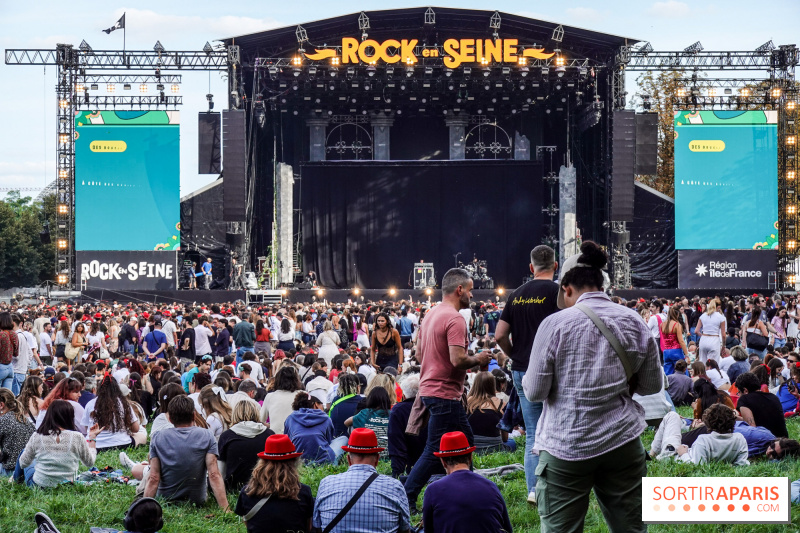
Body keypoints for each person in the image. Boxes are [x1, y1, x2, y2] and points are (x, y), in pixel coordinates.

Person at [523, 241, 662, 533]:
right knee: (632, 529)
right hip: (623, 441)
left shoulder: (555, 324)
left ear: (567, 288)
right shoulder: (635, 321)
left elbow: (534, 392)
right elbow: (652, 385)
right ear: (602, 284)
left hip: (566, 443)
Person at [404, 268, 491, 509]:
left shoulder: (430, 315)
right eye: (471, 290)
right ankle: (407, 495)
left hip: (431, 389)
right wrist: (479, 359)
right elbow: (457, 360)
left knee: (465, 441)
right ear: (460, 289)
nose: (472, 296)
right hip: (444, 393)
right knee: (435, 449)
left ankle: (467, 490)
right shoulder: (455, 319)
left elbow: (420, 354)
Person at [494, 244, 559, 501]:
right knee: (556, 429)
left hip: (522, 370)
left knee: (532, 431)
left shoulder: (517, 294)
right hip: (553, 371)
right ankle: (555, 488)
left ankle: (533, 490)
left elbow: (499, 335)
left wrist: (515, 355)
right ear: (555, 266)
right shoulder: (559, 293)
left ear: (531, 268)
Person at [313, 428, 411, 533]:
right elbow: (405, 529)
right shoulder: (395, 486)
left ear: (349, 460)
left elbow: (317, 527)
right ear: (377, 459)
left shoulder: (326, 483)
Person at [144, 396, 230, 511]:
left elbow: (154, 477)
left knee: (145, 475)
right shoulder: (207, 436)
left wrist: (143, 507)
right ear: (194, 415)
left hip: (165, 499)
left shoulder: (158, 437)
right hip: (197, 500)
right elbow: (214, 474)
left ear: (170, 419)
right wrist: (225, 509)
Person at [422, 431, 513, 533]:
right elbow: (507, 528)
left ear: (443, 462)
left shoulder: (433, 490)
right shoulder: (491, 486)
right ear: (470, 457)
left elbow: (428, 529)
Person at [235, 434, 315, 533]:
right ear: (294, 463)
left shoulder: (247, 492)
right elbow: (308, 527)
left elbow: (248, 523)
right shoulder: (303, 492)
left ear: (262, 463)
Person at [18, 400, 101, 487]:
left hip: (40, 484)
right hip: (68, 484)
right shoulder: (77, 437)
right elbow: (89, 463)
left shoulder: (37, 436)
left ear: (49, 415)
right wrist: (92, 438)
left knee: (24, 452)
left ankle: (14, 480)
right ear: (70, 417)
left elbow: (23, 463)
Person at [649, 404, 748, 465]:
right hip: (687, 451)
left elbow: (695, 465)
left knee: (672, 416)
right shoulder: (740, 439)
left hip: (672, 454)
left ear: (708, 423)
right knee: (673, 418)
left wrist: (683, 453)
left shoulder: (704, 440)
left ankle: (652, 454)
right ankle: (652, 454)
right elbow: (742, 463)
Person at [218, 399, 274, 491]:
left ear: (235, 414)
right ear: (256, 412)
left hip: (234, 488)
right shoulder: (269, 434)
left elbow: (221, 470)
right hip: (265, 486)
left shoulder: (226, 436)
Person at [81, 375, 140, 450]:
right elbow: (136, 429)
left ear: (99, 389)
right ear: (117, 389)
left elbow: (87, 428)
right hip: (122, 444)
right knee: (141, 436)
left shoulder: (90, 404)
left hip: (96, 445)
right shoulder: (123, 403)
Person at [284, 391, 344, 464]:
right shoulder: (325, 418)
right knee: (343, 439)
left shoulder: (290, 418)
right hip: (324, 461)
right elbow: (328, 440)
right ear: (316, 405)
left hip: (297, 462)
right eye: (322, 405)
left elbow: (288, 440)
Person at [466, 371, 516, 453]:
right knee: (512, 442)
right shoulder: (501, 404)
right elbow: (505, 438)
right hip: (495, 447)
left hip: (471, 445)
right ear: (492, 385)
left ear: (475, 384)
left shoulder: (468, 402)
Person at [388, 373, 427, 478]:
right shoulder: (431, 407)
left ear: (404, 395)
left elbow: (396, 445)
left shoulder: (398, 411)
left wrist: (396, 475)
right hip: (436, 467)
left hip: (411, 467)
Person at [735, 371, 789, 438]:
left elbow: (752, 428)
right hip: (783, 440)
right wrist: (736, 418)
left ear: (745, 390)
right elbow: (762, 419)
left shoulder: (744, 399)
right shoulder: (773, 397)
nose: (739, 395)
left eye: (739, 392)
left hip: (766, 442)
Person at [0, 388, 35, 476]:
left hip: (10, 470)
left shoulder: (3, 420)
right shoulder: (24, 419)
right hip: (29, 469)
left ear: (1, 405)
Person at [346, 387, 392, 455]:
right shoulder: (392, 414)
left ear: (370, 399)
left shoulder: (365, 413)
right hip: (388, 454)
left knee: (352, 427)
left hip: (367, 454)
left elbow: (346, 422)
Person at [260, 366, 303, 434]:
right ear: (296, 380)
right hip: (297, 436)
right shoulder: (302, 395)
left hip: (276, 437)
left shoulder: (270, 396)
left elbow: (261, 419)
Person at [328, 373, 363, 438]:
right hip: (356, 439)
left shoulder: (336, 401)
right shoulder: (363, 402)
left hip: (337, 439)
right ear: (358, 387)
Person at [660, 305, 690, 375]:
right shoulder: (677, 325)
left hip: (666, 351)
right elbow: (681, 341)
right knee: (682, 372)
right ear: (677, 314)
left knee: (667, 373)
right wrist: (687, 355)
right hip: (676, 351)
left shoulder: (662, 324)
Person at [696, 300, 726, 364]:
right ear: (718, 307)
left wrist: (703, 335)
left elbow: (696, 331)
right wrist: (723, 346)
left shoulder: (703, 316)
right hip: (714, 340)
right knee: (712, 364)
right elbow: (723, 335)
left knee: (702, 363)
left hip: (703, 340)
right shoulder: (721, 317)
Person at [0, 311, 18, 390]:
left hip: (1, 366)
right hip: (10, 367)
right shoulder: (14, 334)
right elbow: (16, 353)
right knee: (7, 396)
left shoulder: (1, 334)